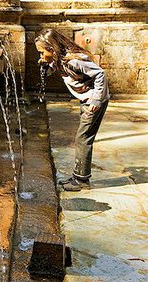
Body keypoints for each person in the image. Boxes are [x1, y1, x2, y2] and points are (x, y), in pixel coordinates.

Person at [35, 29, 110, 191]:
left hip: (94, 101)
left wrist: (96, 99)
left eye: (42, 52)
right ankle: (78, 176)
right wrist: (46, 64)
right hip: (87, 99)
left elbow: (100, 74)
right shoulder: (59, 60)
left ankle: (82, 181)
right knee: (82, 137)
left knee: (83, 138)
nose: (41, 55)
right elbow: (55, 70)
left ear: (52, 49)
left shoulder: (74, 61)